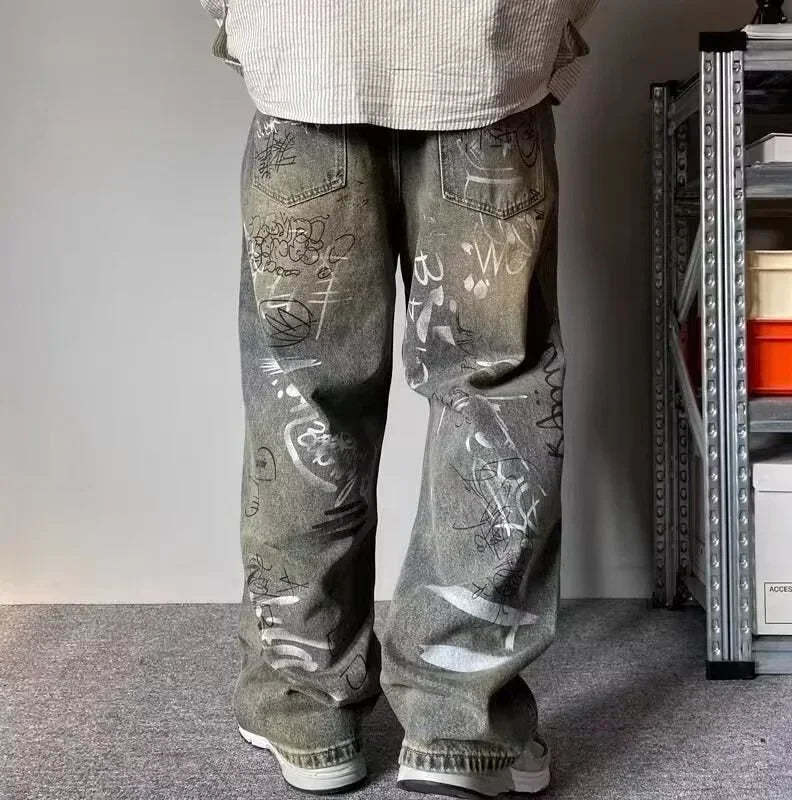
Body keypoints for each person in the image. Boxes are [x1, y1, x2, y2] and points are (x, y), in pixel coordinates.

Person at [198, 1, 598, 796]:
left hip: (304, 51)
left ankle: (305, 708)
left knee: (303, 395)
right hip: (482, 58)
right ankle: (461, 724)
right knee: (491, 397)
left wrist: (250, 21)